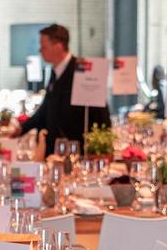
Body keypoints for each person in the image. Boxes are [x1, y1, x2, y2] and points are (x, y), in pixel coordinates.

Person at [11, 23, 111, 156]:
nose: (40, 51)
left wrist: (101, 149)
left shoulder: (83, 70)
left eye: (43, 46)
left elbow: (101, 115)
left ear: (58, 47)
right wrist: (22, 128)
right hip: (55, 151)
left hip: (77, 152)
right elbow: (45, 109)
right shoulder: (55, 71)